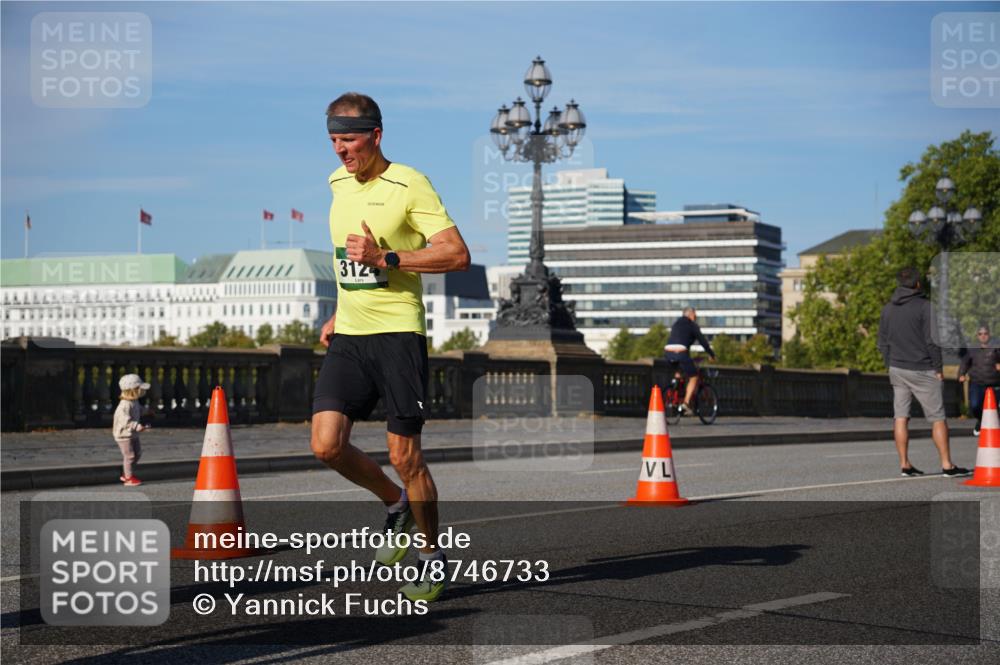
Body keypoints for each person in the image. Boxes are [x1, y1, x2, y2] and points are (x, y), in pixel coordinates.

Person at [310, 92, 470, 603]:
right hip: (351, 335)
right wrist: (339, 309)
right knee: (326, 444)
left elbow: (456, 254)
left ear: (376, 135)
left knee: (405, 454)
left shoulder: (410, 183)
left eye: (350, 139)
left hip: (399, 335)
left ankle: (430, 556)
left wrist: (389, 256)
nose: (341, 150)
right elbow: (346, 260)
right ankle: (396, 505)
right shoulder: (336, 182)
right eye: (334, 140)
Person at [877, 267, 970, 477]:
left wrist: (889, 363)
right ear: (918, 284)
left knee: (900, 417)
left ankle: (905, 464)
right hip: (923, 368)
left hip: (897, 369)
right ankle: (947, 465)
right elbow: (932, 341)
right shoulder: (926, 307)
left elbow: (882, 342)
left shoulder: (887, 309)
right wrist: (938, 368)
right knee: (938, 417)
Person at [664, 307, 716, 414]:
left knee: (679, 372)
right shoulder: (692, 325)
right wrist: (711, 354)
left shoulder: (676, 324)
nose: (696, 317)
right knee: (694, 377)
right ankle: (686, 403)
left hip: (668, 351)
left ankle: (675, 393)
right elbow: (703, 342)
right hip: (681, 352)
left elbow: (680, 339)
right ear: (690, 314)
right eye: (695, 315)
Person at [959, 325, 1000, 436]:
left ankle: (994, 429)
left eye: (985, 334)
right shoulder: (973, 349)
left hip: (994, 383)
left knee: (995, 408)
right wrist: (962, 374)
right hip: (977, 383)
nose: (983, 336)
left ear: (989, 335)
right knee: (975, 406)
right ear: (977, 336)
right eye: (980, 334)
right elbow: (965, 362)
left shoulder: (996, 347)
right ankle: (981, 421)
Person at [113, 374, 150, 487]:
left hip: (132, 433)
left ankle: (127, 473)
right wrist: (137, 426)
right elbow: (125, 421)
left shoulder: (134, 402)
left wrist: (147, 411)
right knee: (129, 456)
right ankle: (128, 478)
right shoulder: (124, 405)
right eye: (140, 389)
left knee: (137, 454)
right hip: (123, 435)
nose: (142, 392)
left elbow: (139, 410)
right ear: (133, 391)